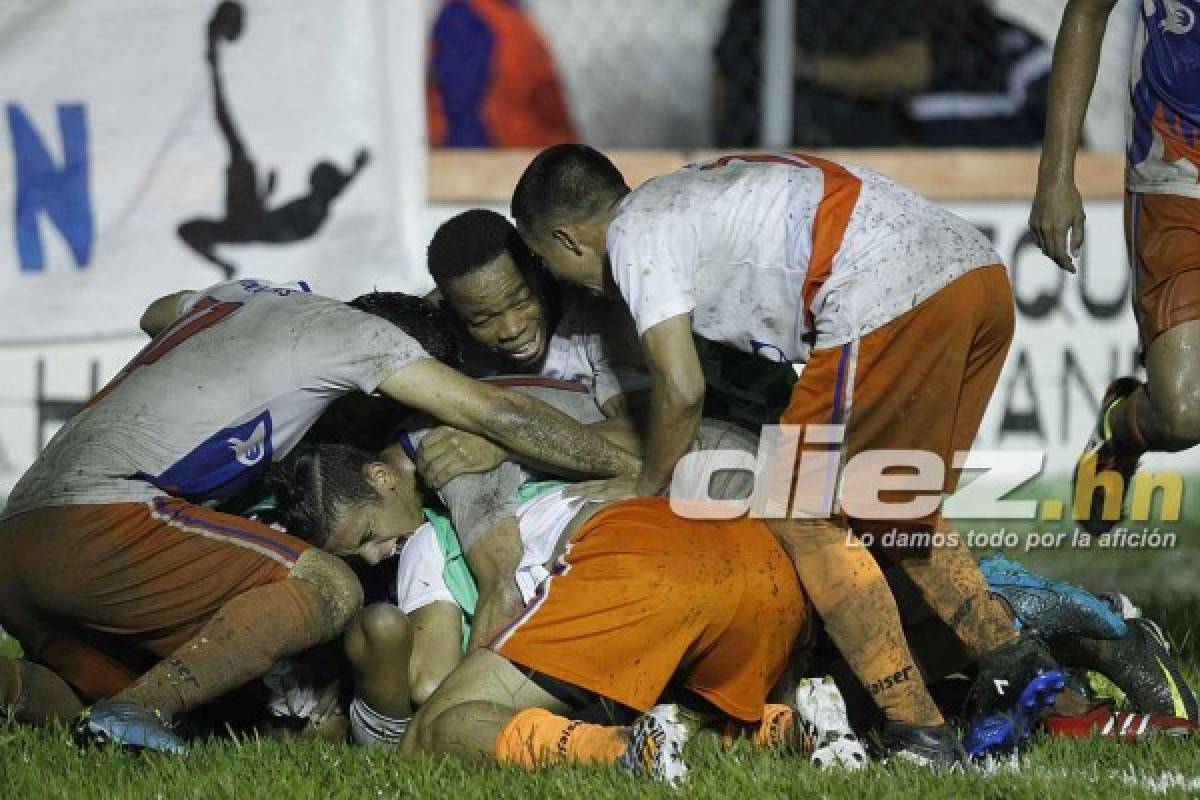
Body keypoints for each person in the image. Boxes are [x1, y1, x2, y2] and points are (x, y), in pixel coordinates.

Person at [509, 144, 1061, 764]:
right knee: (893, 499)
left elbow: (681, 387)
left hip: (886, 290)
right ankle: (1009, 656)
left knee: (801, 514)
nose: (556, 277)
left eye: (545, 262)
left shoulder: (637, 233)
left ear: (566, 238)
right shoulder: (684, 195)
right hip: (976, 275)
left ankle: (916, 729)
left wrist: (648, 479)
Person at [0, 279, 638, 754]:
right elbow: (496, 414)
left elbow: (158, 312)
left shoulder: (251, 296)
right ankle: (136, 714)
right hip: (101, 515)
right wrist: (626, 463)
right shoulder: (365, 342)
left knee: (92, 688)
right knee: (329, 586)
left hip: (19, 532)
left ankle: (78, 699)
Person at [1030, 0, 1200, 533]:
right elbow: (1085, 12)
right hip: (1177, 172)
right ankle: (1119, 428)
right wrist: (1056, 174)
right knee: (1181, 413)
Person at [714, 0, 931, 147]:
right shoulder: (755, 6)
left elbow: (912, 70)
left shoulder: (877, 7)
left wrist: (812, 68)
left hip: (854, 146)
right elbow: (724, 74)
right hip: (755, 149)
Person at [427, 0, 577, 148]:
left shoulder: (509, 16)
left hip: (529, 148)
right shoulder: (468, 18)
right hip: (502, 151)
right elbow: (464, 115)